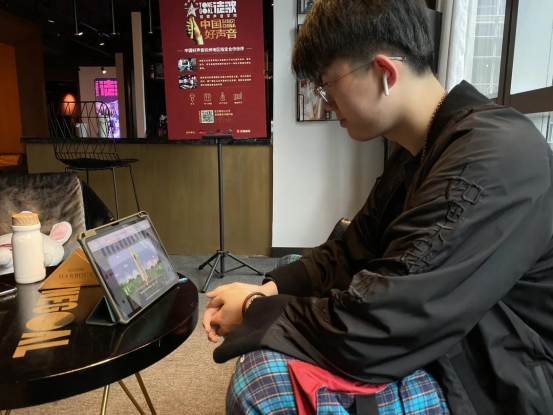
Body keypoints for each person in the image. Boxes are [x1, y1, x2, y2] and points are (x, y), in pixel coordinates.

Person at [203, 0, 553, 414]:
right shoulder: (421, 150)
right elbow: (353, 248)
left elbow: (381, 326)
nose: (326, 103)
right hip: (445, 330)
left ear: (384, 72)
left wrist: (253, 309)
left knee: (261, 390)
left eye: (327, 86)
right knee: (291, 271)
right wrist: (270, 290)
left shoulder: (494, 155)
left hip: (494, 367)